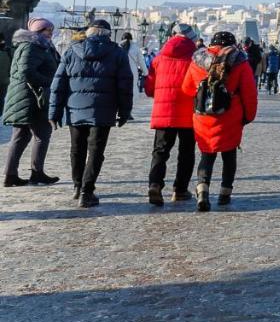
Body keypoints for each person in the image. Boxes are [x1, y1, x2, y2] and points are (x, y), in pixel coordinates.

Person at [49, 19, 133, 207]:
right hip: (103, 109)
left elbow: (58, 83)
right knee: (96, 151)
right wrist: (125, 111)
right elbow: (125, 85)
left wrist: (54, 112)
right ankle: (87, 191)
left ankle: (78, 186)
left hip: (75, 108)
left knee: (77, 148)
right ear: (108, 34)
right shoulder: (118, 53)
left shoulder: (72, 50)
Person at [181, 31, 258, 211]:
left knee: (207, 155)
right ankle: (225, 193)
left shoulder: (197, 61)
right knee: (229, 155)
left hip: (203, 116)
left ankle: (202, 191)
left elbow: (186, 88)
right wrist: (248, 116)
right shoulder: (239, 62)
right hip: (230, 115)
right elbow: (249, 93)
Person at [144, 23, 199, 206]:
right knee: (186, 152)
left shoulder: (159, 58)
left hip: (163, 112)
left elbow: (149, 88)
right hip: (188, 112)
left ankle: (155, 184)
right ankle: (180, 190)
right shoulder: (197, 58)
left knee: (160, 151)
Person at [3, 18, 61, 187]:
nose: (50, 33)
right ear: (37, 32)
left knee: (21, 136)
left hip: (27, 97)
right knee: (42, 134)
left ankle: (11, 175)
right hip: (32, 98)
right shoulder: (33, 46)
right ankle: (36, 173)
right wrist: (50, 81)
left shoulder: (40, 46)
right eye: (47, 30)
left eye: (51, 30)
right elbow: (26, 71)